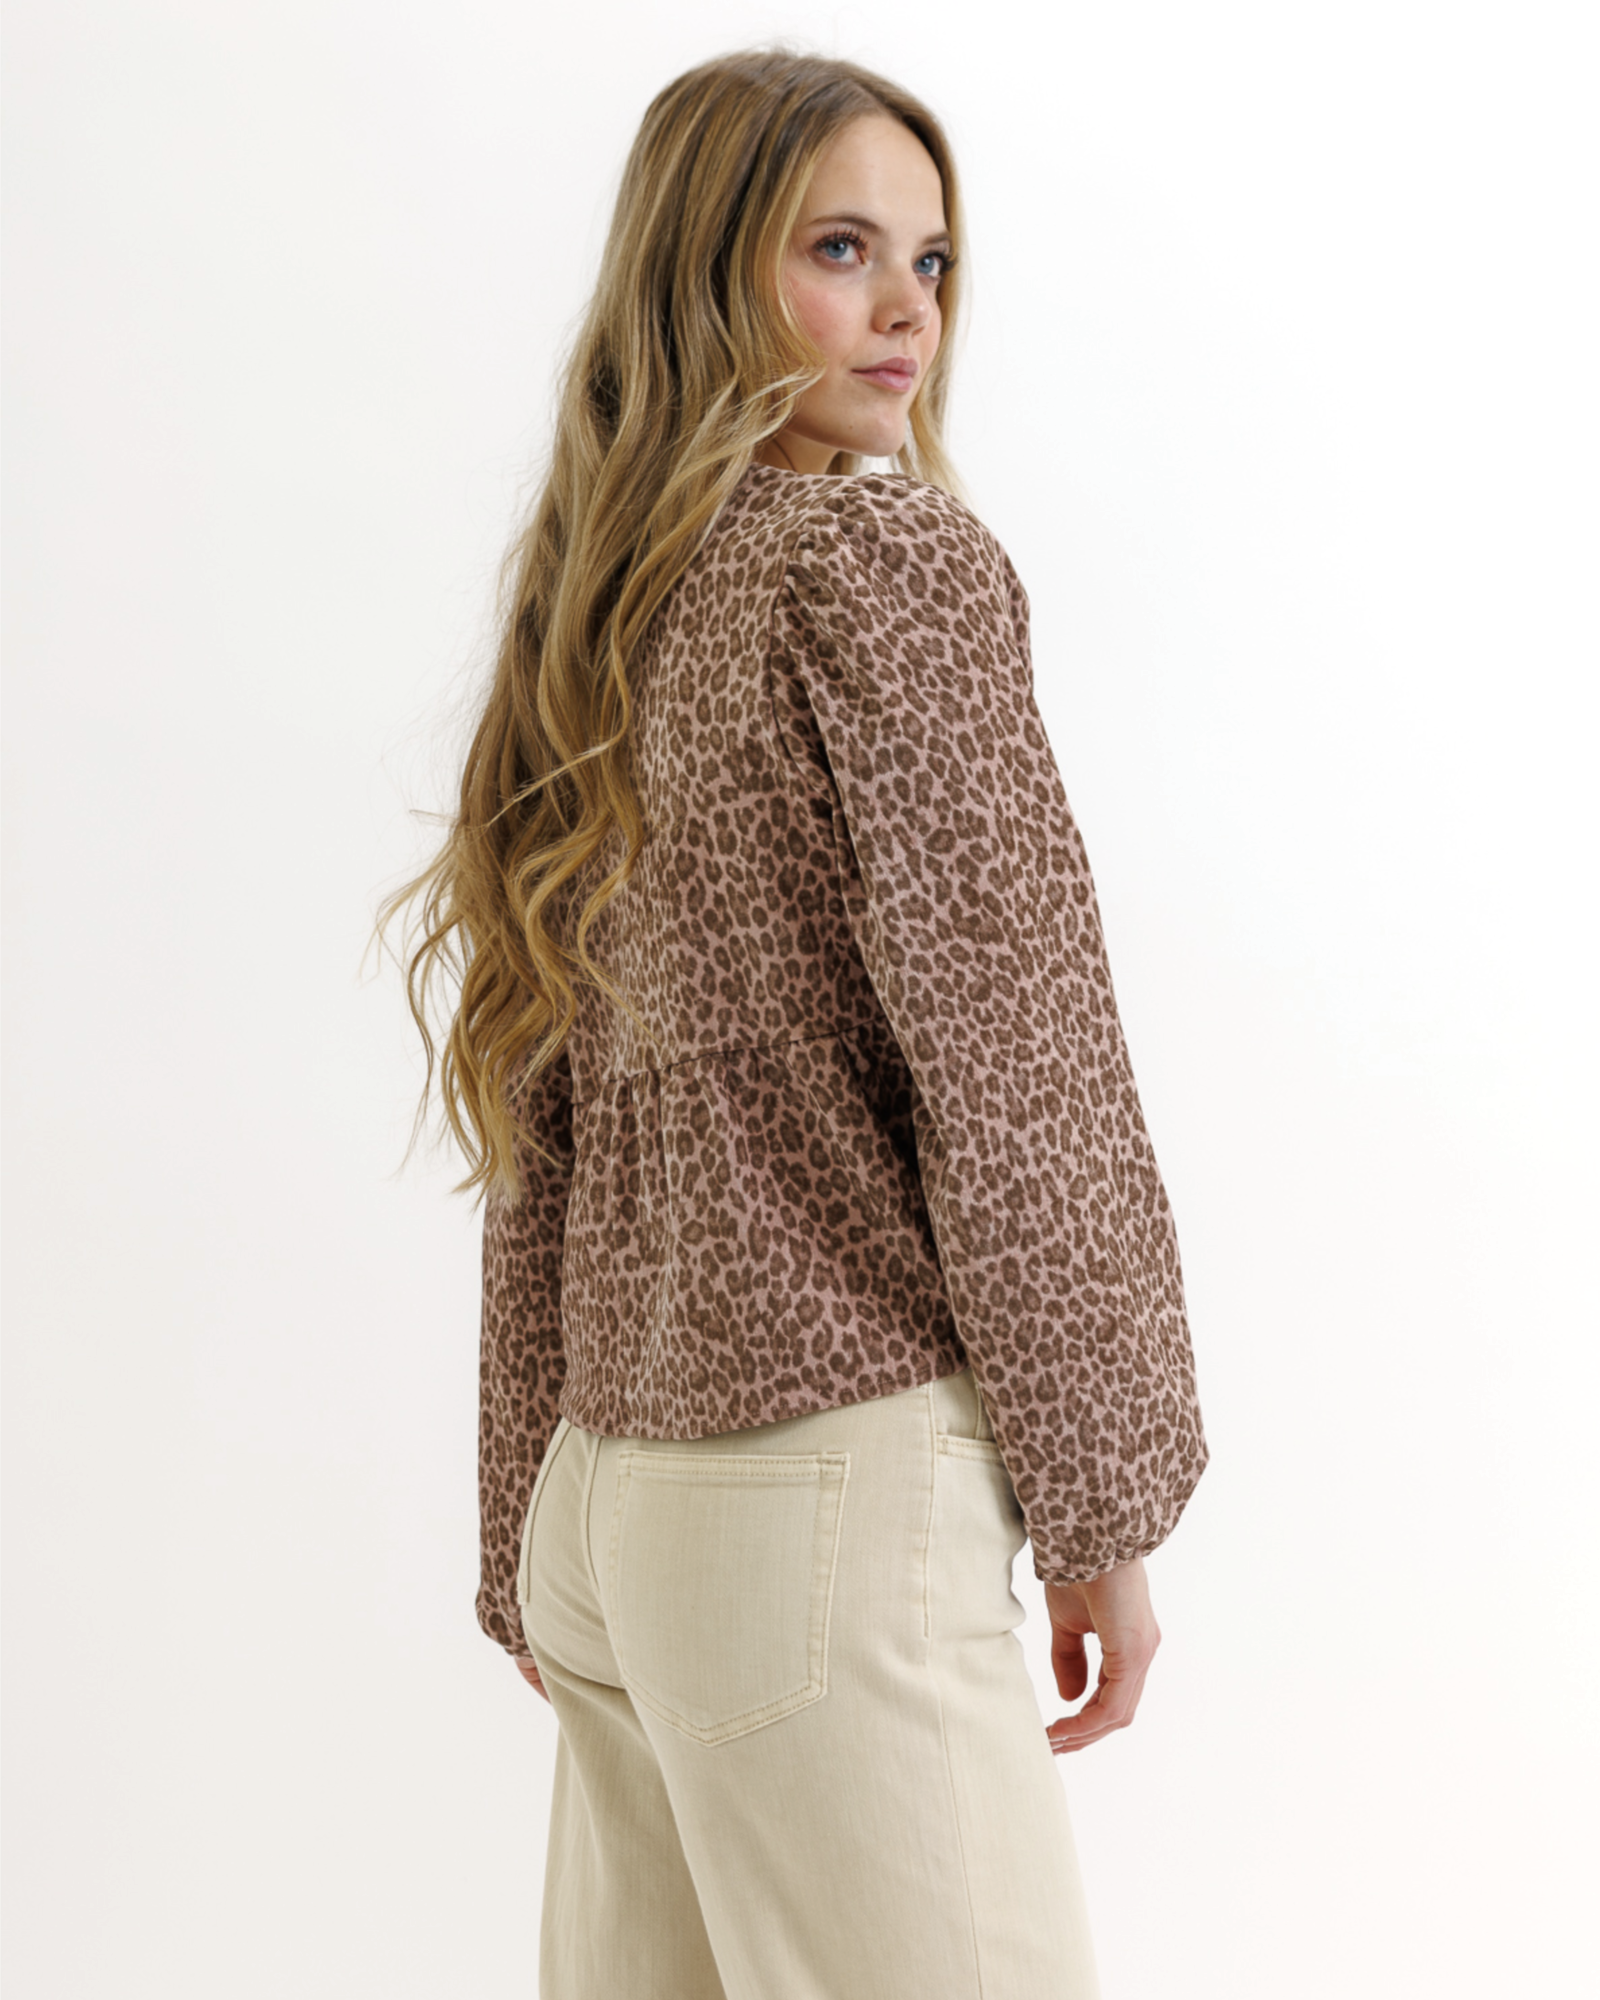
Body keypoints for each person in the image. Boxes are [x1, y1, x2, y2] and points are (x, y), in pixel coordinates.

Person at [378, 44, 1208, 2000]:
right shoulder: (876, 560)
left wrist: (525, 1522)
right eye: (840, 250)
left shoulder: (595, 618)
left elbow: (536, 1120)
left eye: (931, 258)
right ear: (703, 270)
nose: (906, 307)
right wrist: (1100, 1506)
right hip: (825, 1491)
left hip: (619, 1505)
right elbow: (1014, 1064)